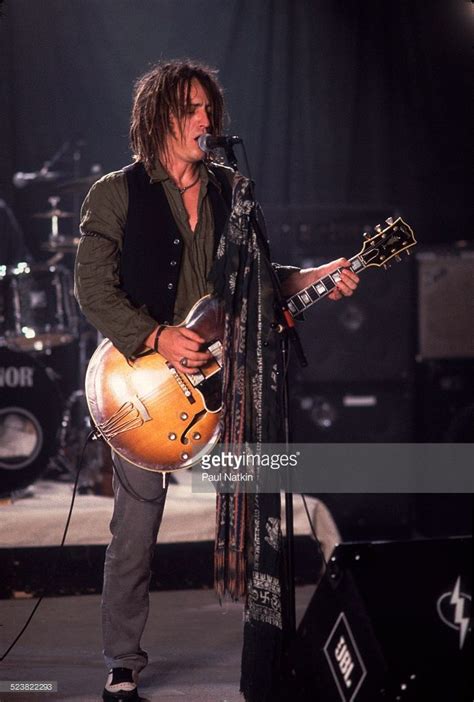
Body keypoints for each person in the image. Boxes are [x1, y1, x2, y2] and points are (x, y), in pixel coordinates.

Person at [74, 59, 359, 702]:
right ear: (159, 117)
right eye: (192, 109)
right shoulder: (115, 192)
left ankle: (271, 641)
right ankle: (122, 659)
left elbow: (259, 281)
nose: (207, 120)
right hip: (144, 383)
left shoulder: (234, 189)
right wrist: (156, 336)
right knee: (137, 521)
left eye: (210, 109)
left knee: (263, 497)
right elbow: (91, 289)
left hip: (222, 381)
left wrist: (320, 275)